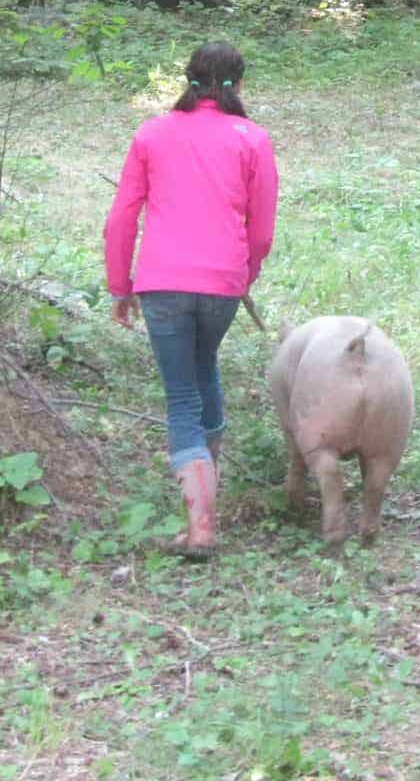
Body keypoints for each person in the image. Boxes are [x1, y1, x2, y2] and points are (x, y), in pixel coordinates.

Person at [103, 41, 280, 558]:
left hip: (161, 283)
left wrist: (120, 285)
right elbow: (262, 230)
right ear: (239, 84)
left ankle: (200, 526)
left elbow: (121, 218)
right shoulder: (252, 138)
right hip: (222, 282)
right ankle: (209, 491)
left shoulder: (153, 134)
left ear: (187, 80)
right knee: (205, 369)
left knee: (183, 396)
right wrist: (242, 276)